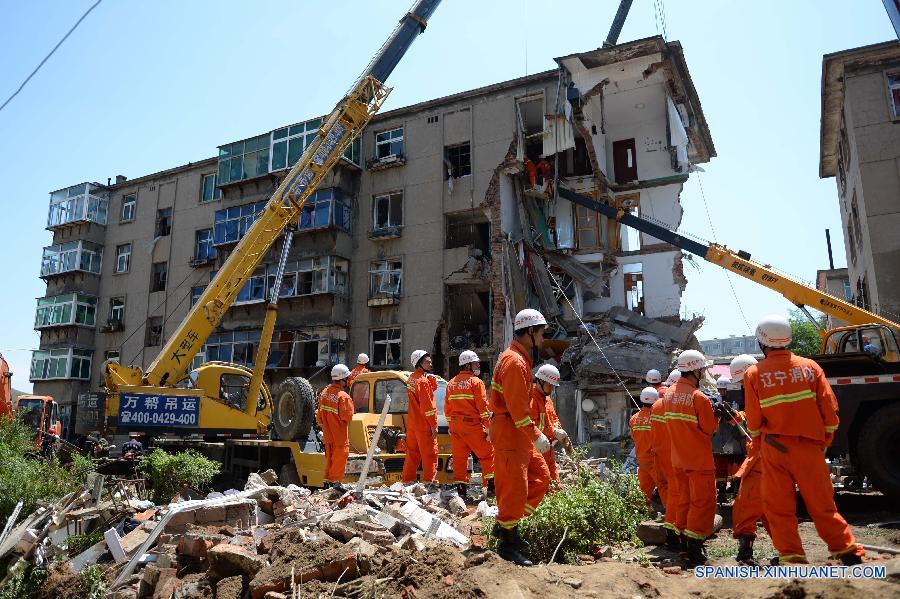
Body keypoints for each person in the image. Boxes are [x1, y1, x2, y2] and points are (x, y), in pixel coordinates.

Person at [744, 315, 865, 566]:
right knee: (823, 504)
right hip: (810, 447)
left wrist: (757, 441)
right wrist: (824, 439)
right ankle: (846, 549)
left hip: (775, 448)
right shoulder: (810, 367)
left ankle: (792, 556)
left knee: (779, 506)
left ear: (762, 342)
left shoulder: (754, 373)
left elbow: (754, 420)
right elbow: (830, 409)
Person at [489, 308, 552, 566]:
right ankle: (507, 542)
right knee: (515, 488)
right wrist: (537, 434)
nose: (542, 339)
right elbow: (518, 411)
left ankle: (508, 527)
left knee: (541, 478)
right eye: (540, 333)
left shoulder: (519, 359)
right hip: (511, 433)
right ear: (529, 332)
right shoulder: (514, 362)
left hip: (517, 434)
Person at [664, 349, 719, 565]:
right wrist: (716, 416)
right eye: (703, 370)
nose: (704, 373)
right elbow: (709, 429)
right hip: (699, 461)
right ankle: (695, 549)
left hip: (678, 460)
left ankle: (683, 544)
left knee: (684, 501)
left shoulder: (668, 394)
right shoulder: (699, 397)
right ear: (695, 370)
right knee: (702, 503)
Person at [726, 354, 770, 565]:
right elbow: (751, 417)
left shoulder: (761, 392)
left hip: (762, 459)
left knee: (745, 507)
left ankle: (746, 551)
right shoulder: (767, 389)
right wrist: (734, 415)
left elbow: (757, 421)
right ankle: (789, 550)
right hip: (771, 458)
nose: (743, 386)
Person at [445, 350, 494, 499]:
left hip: (455, 427)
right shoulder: (476, 382)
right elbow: (483, 408)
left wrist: (450, 426)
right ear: (468, 365)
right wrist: (489, 428)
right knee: (488, 456)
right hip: (472, 426)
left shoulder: (451, 383)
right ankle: (491, 490)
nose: (478, 365)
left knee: (459, 460)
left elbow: (447, 409)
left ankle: (461, 494)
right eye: (475, 363)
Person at [402, 350, 440, 488]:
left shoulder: (412, 378)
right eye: (427, 362)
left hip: (413, 424)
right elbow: (428, 405)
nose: (430, 364)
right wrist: (433, 425)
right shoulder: (423, 381)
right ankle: (430, 483)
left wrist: (431, 383)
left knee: (412, 454)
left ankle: (407, 481)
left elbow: (422, 395)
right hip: (424, 424)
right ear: (419, 363)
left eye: (430, 361)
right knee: (430, 454)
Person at [317, 364, 355, 490]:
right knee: (339, 460)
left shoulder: (324, 393)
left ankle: (327, 483)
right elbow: (347, 417)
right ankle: (335, 484)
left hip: (328, 437)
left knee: (329, 460)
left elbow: (320, 418)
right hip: (340, 437)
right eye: (348, 377)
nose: (349, 379)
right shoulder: (343, 397)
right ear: (343, 379)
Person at [531, 364, 567, 484]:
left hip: (549, 449)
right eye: (550, 385)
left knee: (554, 483)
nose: (552, 389)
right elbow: (533, 426)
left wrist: (557, 430)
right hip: (536, 449)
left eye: (553, 386)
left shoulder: (547, 400)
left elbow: (554, 418)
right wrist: (553, 431)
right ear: (541, 381)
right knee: (541, 482)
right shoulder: (531, 399)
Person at [631, 387, 661, 509]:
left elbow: (634, 438)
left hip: (642, 461)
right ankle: (672, 517)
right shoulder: (657, 418)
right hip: (656, 461)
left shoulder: (634, 419)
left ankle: (640, 517)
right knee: (666, 488)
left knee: (643, 492)